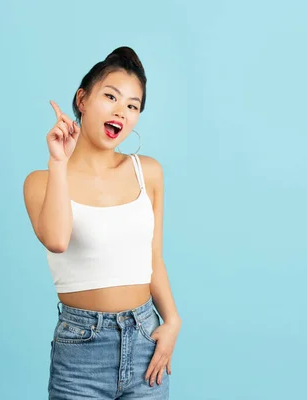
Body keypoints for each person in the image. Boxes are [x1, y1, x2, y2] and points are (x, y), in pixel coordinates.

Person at [23, 46, 181, 399]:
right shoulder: (41, 181)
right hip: (81, 350)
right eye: (110, 96)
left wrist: (172, 322)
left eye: (132, 105)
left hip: (145, 343)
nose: (121, 111)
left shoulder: (148, 172)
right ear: (82, 99)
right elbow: (58, 239)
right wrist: (59, 163)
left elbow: (152, 258)